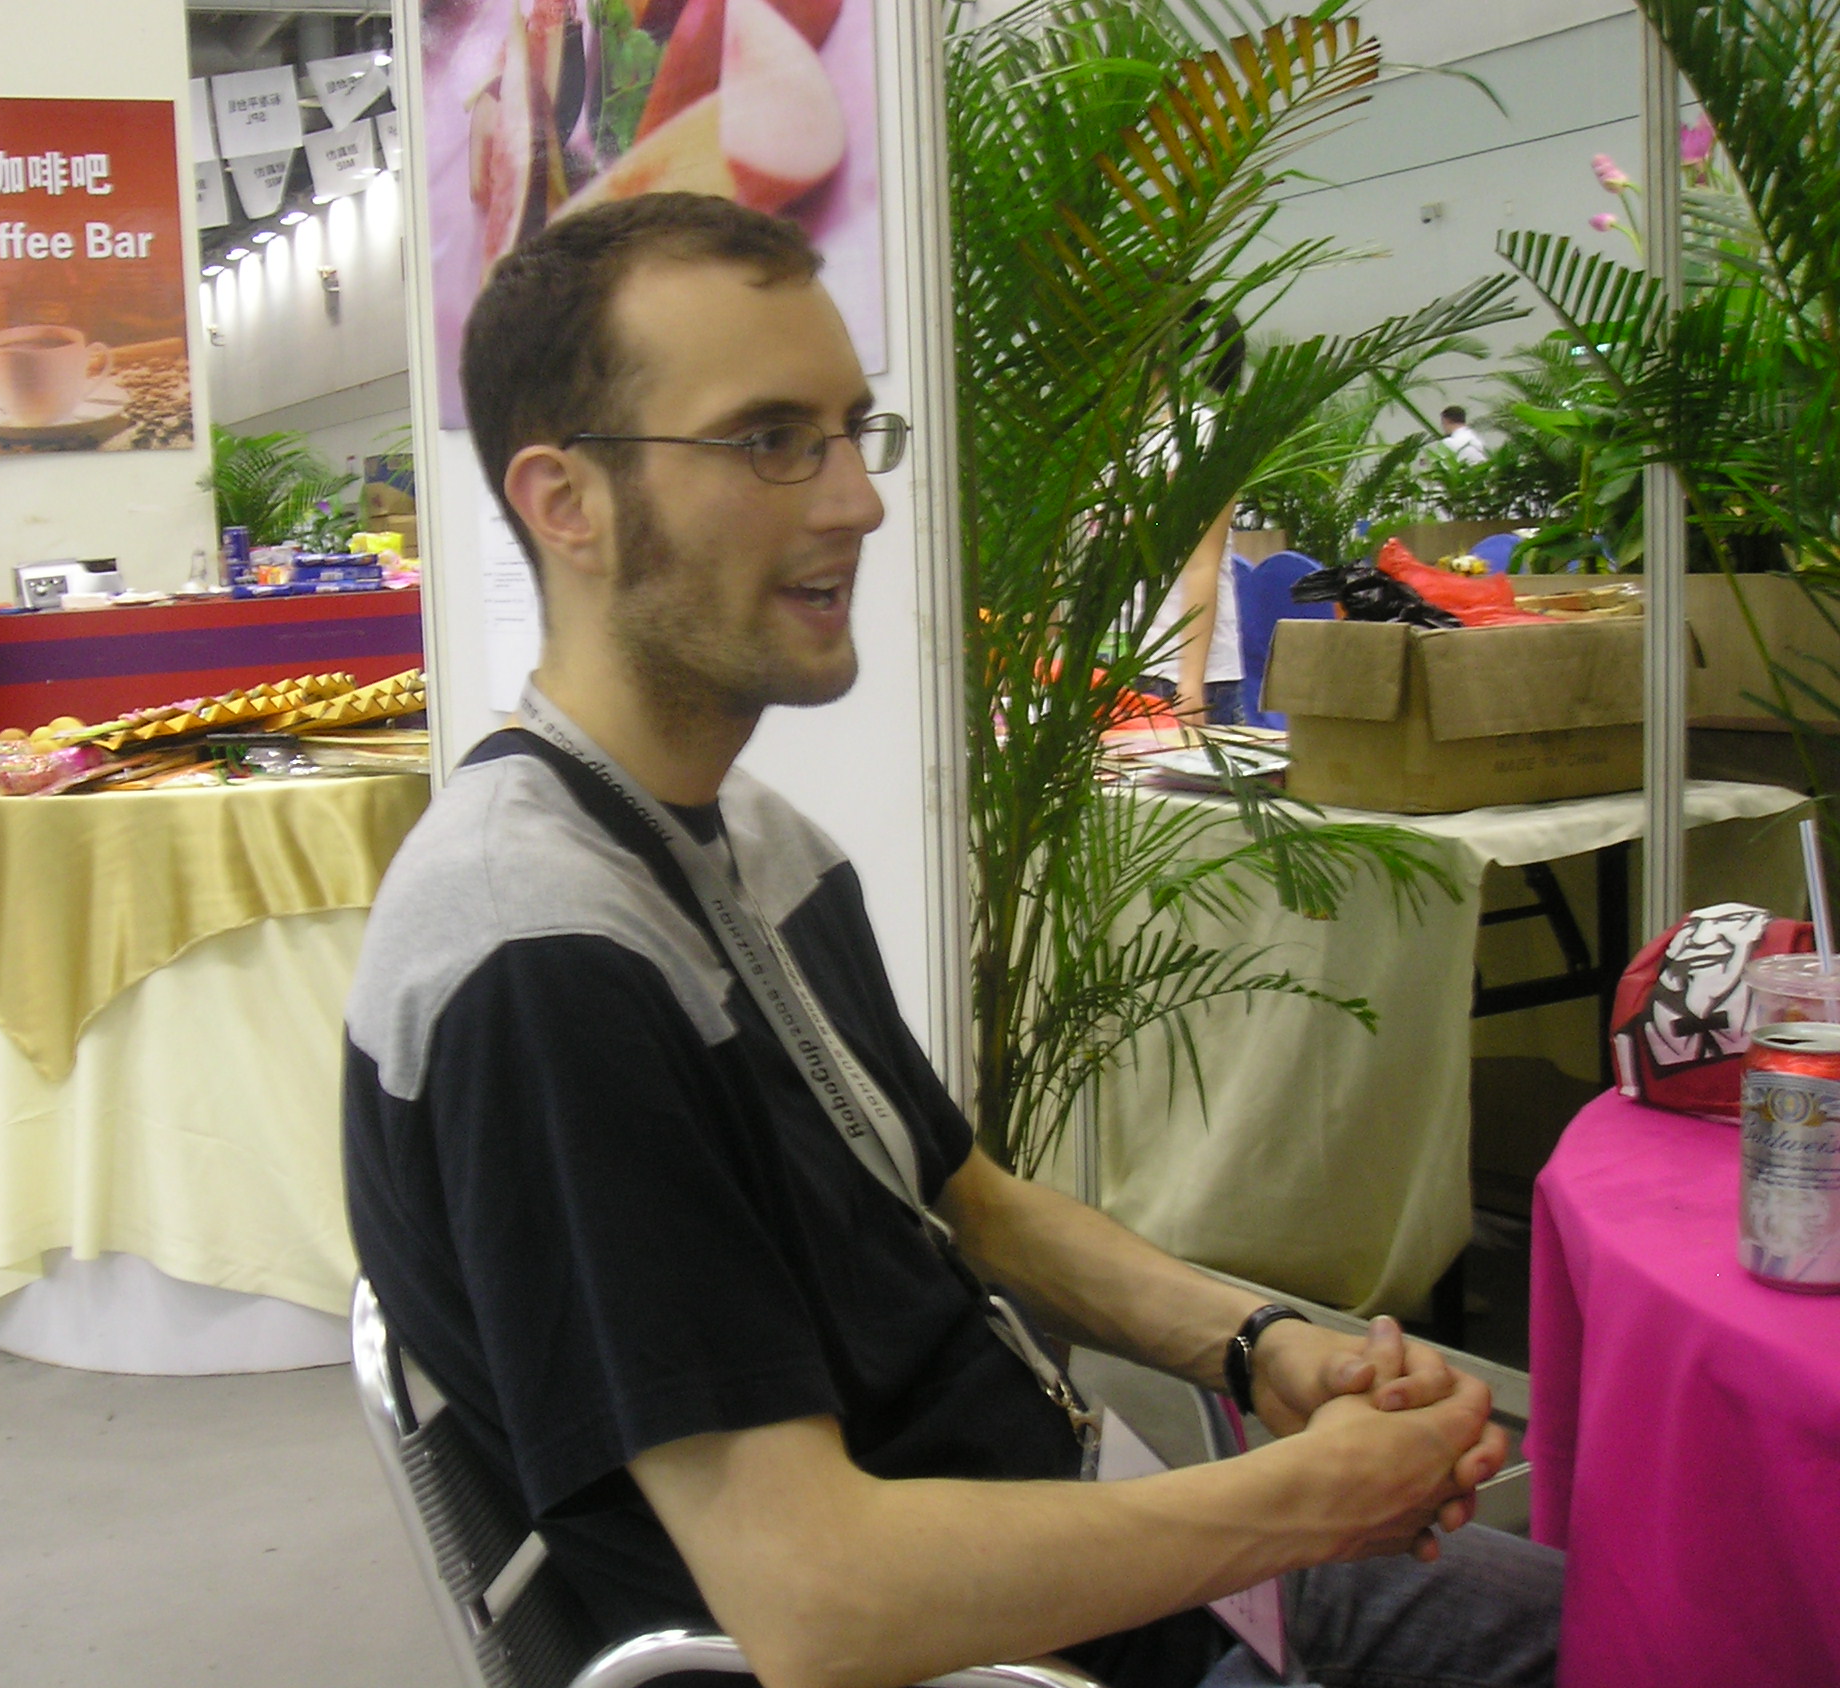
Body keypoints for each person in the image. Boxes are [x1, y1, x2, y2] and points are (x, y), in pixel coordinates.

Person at [343, 194, 1560, 1688]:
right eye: (769, 439)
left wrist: (1259, 1344)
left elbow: (964, 1198)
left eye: (853, 432)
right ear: (566, 502)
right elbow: (814, 1600)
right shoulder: (544, 968)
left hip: (1074, 1551)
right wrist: (1302, 1500)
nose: (856, 501)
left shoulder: (747, 834)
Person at [1130, 316, 1244, 726]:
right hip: (1137, 662)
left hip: (1185, 676)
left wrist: (1190, 685)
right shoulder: (1125, 438)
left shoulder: (1200, 435)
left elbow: (1201, 563)